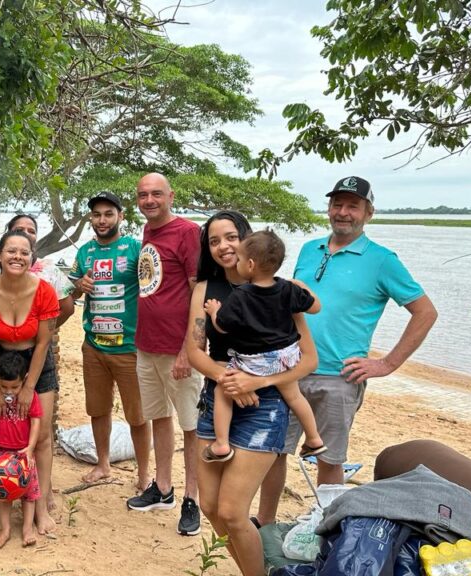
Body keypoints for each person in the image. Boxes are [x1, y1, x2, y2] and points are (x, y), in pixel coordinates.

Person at [256, 176, 438, 526]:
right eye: (337, 204)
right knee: (273, 452)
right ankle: (264, 524)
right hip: (289, 370)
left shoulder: (383, 260)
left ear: (368, 213)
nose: (343, 212)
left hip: (339, 378)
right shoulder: (310, 250)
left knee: (330, 458)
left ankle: (327, 531)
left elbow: (425, 312)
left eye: (352, 206)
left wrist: (387, 363)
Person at [186, 211, 321, 576]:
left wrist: (254, 382)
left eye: (230, 237)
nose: (223, 246)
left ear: (247, 241)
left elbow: (308, 360)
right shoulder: (204, 291)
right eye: (213, 241)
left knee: (233, 510)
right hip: (218, 402)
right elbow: (195, 351)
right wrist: (228, 378)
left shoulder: (281, 290)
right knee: (211, 507)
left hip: (266, 405)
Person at [201, 229, 325, 463]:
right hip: (286, 357)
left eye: (238, 259)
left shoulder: (241, 296)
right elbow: (315, 308)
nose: (235, 263)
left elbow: (223, 327)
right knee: (295, 396)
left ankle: (221, 444)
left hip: (254, 361)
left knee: (221, 392)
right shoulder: (288, 289)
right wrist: (298, 285)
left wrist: (214, 311)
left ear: (249, 264)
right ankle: (314, 439)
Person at [125, 172, 203, 537]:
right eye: (143, 195)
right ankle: (164, 487)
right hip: (146, 345)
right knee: (158, 417)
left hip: (177, 350)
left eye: (156, 194)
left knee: (191, 426)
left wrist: (191, 348)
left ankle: (192, 498)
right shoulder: (148, 232)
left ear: (171, 195)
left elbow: (197, 292)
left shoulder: (188, 232)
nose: (150, 200)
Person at [0, 231, 60, 534]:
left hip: (35, 361)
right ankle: (0, 494)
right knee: (1, 435)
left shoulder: (45, 291)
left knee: (42, 432)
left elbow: (43, 343)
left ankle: (42, 498)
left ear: (31, 257)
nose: (17, 257)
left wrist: (28, 388)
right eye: (11, 251)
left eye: (24, 252)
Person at [67, 191, 151, 490]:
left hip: (129, 347)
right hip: (93, 346)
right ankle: (103, 465)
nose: (101, 220)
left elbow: (152, 289)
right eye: (96, 215)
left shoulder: (136, 249)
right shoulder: (84, 252)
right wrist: (79, 285)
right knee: (97, 409)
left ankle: (144, 474)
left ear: (121, 216)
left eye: (108, 214)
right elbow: (73, 292)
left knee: (137, 416)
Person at [0, 351, 43, 549]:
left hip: (23, 454)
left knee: (29, 495)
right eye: (4, 386)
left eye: (14, 387)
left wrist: (31, 447)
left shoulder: (30, 397)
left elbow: (36, 421)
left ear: (24, 380)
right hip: (1, 453)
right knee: (4, 495)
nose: (9, 392)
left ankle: (27, 528)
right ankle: (6, 529)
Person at [0, 214, 75, 328]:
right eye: (19, 230)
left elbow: (67, 308)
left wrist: (42, 334)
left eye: (31, 231)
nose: (26, 233)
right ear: (8, 234)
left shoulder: (49, 269)